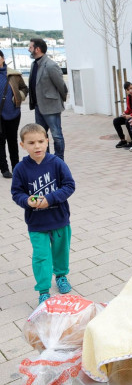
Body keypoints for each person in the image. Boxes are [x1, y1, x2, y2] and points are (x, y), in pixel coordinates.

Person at [11, 123, 76, 304]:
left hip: (59, 219)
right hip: (37, 223)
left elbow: (69, 185)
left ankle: (61, 275)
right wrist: (27, 201)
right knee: (41, 256)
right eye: (31, 143)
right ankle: (43, 290)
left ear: (47, 141)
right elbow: (16, 193)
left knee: (60, 251)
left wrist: (51, 199)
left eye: (40, 141)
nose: (37, 146)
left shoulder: (57, 163)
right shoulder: (20, 169)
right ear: (22, 145)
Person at [28, 38, 68, 161]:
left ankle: (59, 160)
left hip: (51, 107)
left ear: (37, 49)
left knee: (57, 136)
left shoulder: (51, 65)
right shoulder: (34, 64)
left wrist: (59, 101)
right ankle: (47, 160)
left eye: (30, 47)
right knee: (41, 137)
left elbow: (61, 86)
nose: (29, 49)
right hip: (38, 107)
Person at [0, 50, 28, 179]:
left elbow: (24, 88)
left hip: (13, 113)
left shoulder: (13, 74)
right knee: (0, 141)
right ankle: (4, 169)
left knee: (12, 140)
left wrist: (20, 96)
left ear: (2, 58)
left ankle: (16, 166)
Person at [113, 82, 132, 149]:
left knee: (128, 121)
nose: (130, 91)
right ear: (126, 91)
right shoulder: (129, 97)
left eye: (131, 88)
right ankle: (123, 140)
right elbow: (128, 109)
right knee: (116, 121)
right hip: (130, 115)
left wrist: (130, 115)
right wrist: (124, 113)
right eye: (128, 90)